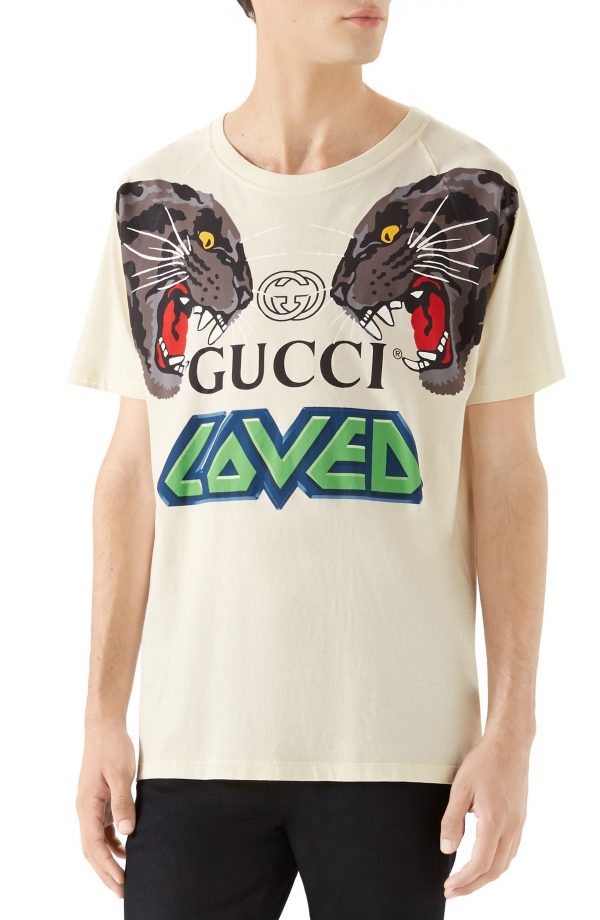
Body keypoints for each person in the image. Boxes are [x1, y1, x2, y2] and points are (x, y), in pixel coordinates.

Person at [69, 1, 565, 917]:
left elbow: (509, 478)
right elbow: (132, 474)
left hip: (398, 744)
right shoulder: (155, 196)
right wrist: (102, 714)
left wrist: (514, 729)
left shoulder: (468, 188)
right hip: (193, 742)